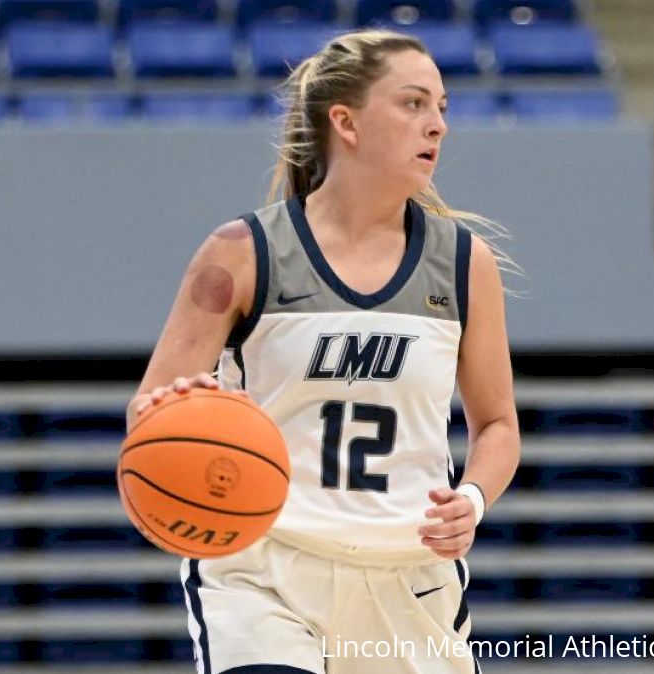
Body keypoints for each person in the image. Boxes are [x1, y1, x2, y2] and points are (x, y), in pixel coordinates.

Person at [125, 29, 521, 674]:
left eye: (443, 107)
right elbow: (149, 411)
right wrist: (170, 411)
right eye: (414, 104)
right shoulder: (242, 252)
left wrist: (472, 499)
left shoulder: (462, 263)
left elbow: (498, 425)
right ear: (347, 122)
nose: (438, 125)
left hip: (408, 572)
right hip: (265, 569)